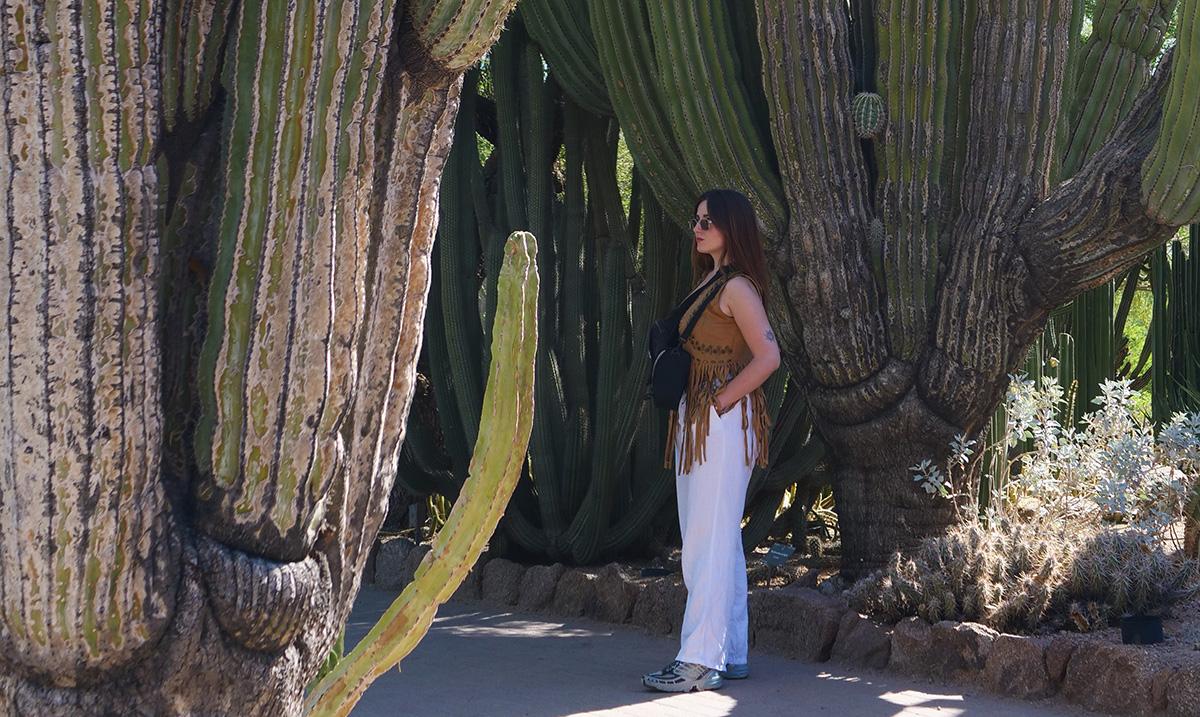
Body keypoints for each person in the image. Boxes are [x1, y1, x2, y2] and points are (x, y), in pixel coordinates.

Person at [642, 189, 780, 693]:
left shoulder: (737, 287)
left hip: (717, 423)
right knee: (719, 538)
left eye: (708, 221)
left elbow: (769, 357)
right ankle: (731, 652)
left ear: (731, 228)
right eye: (695, 219)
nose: (697, 228)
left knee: (705, 539)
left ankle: (699, 660)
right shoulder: (715, 280)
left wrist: (721, 402)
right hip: (703, 420)